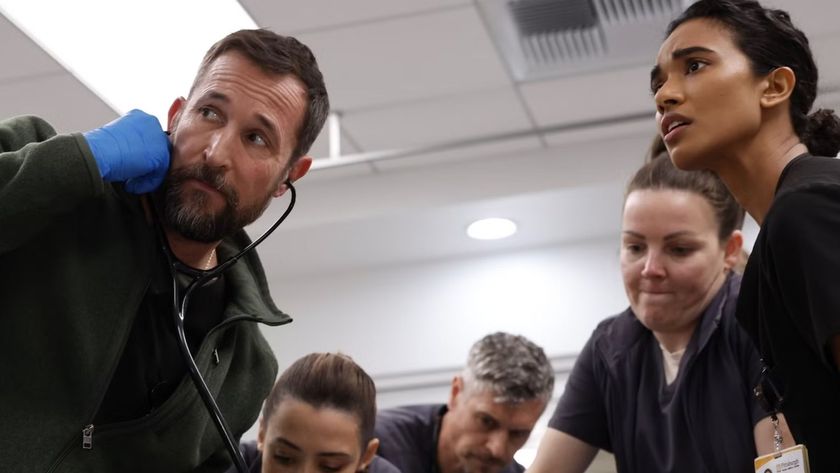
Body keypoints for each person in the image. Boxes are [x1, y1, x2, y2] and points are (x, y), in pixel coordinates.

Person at [0, 29, 328, 472]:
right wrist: (80, 162)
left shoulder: (242, 370)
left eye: (256, 138)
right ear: (176, 116)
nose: (215, 153)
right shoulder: (51, 183)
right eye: (210, 113)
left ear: (290, 175)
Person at [651, 1, 840, 470]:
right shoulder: (787, 223)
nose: (664, 97)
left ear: (774, 86)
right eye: (658, 83)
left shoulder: (807, 210)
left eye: (694, 66)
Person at [528, 152, 792, 473]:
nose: (650, 269)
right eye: (635, 247)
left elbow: (783, 464)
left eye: (679, 249)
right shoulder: (609, 348)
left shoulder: (756, 321)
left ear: (730, 250)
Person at [375, 332, 554, 473]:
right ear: (455, 393)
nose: (497, 449)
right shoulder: (375, 445)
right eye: (486, 421)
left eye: (518, 433)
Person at [228, 353, 401, 473]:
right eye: (284, 458)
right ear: (262, 434)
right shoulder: (224, 465)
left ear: (366, 456)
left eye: (330, 467)